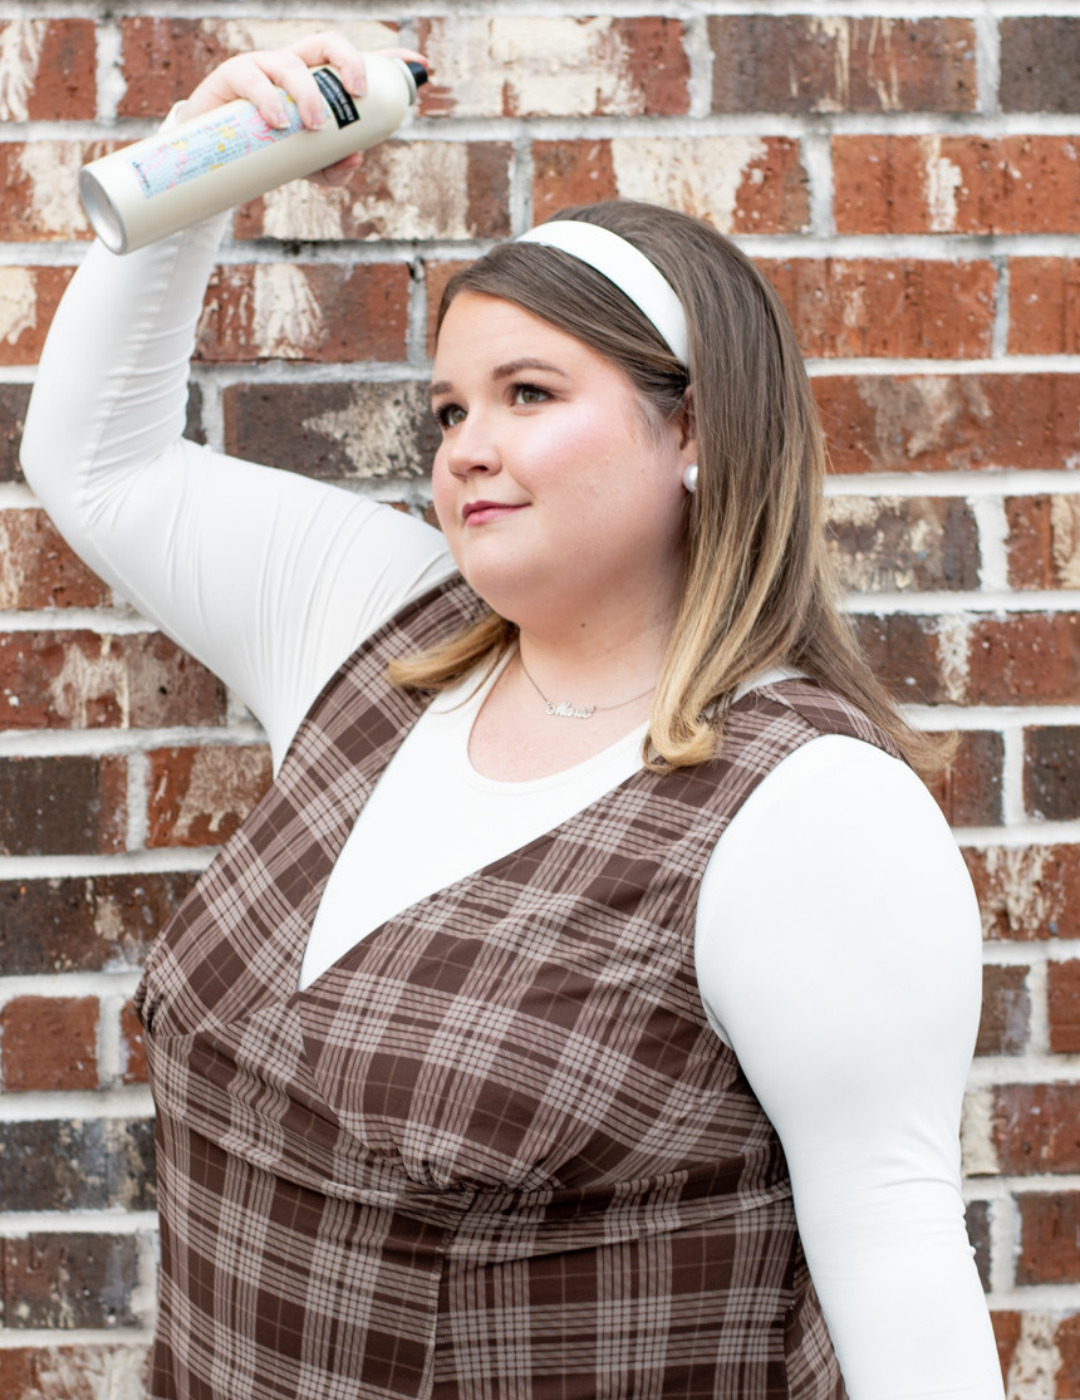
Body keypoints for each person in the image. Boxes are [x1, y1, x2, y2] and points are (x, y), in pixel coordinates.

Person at [21, 32, 1005, 1400]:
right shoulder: (379, 622)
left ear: (698, 431)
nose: (464, 446)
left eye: (530, 395)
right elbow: (97, 465)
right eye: (448, 409)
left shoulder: (810, 812)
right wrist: (205, 156)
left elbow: (898, 1259)